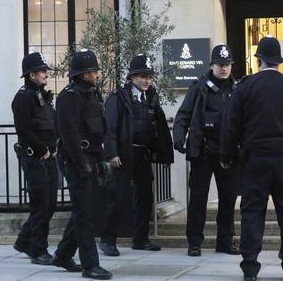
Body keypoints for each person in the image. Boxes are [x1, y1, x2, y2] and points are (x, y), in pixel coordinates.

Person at [221, 36, 283, 281]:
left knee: (252, 213)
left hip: (254, 160)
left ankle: (250, 268)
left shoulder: (244, 86)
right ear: (279, 61)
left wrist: (227, 157)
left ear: (259, 60)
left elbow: (230, 126)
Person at [99, 54, 174, 256]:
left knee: (145, 197)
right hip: (123, 154)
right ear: (132, 78)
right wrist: (112, 153)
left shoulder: (150, 97)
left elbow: (159, 128)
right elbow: (110, 127)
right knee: (117, 197)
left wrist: (165, 155)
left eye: (149, 76)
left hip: (142, 154)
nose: (147, 80)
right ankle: (107, 241)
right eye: (142, 76)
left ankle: (140, 239)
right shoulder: (119, 97)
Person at [174, 44, 240, 257]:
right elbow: (183, 115)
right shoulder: (199, 87)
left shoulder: (237, 88)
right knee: (198, 200)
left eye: (228, 64)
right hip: (203, 151)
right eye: (220, 64)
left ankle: (225, 241)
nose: (224, 68)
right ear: (212, 65)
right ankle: (194, 243)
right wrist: (179, 137)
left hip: (227, 153)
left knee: (228, 199)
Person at [51, 49, 112, 280]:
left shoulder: (91, 92)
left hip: (93, 155)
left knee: (88, 210)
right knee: (85, 213)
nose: (97, 73)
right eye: (94, 70)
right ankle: (90, 265)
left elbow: (98, 127)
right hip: (77, 158)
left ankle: (63, 254)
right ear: (84, 73)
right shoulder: (70, 96)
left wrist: (102, 157)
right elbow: (69, 134)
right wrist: (82, 164)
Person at [11, 52, 58, 266]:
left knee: (49, 204)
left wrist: (54, 147)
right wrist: (43, 151)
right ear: (31, 75)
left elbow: (49, 123)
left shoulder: (40, 94)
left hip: (48, 156)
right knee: (41, 205)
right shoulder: (23, 97)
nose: (46, 74)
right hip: (35, 158)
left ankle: (23, 241)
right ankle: (38, 250)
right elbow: (25, 130)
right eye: (42, 71)